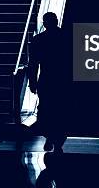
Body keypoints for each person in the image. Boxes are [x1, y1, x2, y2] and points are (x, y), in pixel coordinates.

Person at [28, 12, 71, 153]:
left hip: (46, 79)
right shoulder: (67, 38)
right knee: (61, 109)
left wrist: (32, 81)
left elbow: (33, 64)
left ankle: (50, 135)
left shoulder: (38, 40)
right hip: (63, 79)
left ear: (44, 23)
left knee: (46, 108)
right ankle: (58, 138)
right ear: (57, 21)